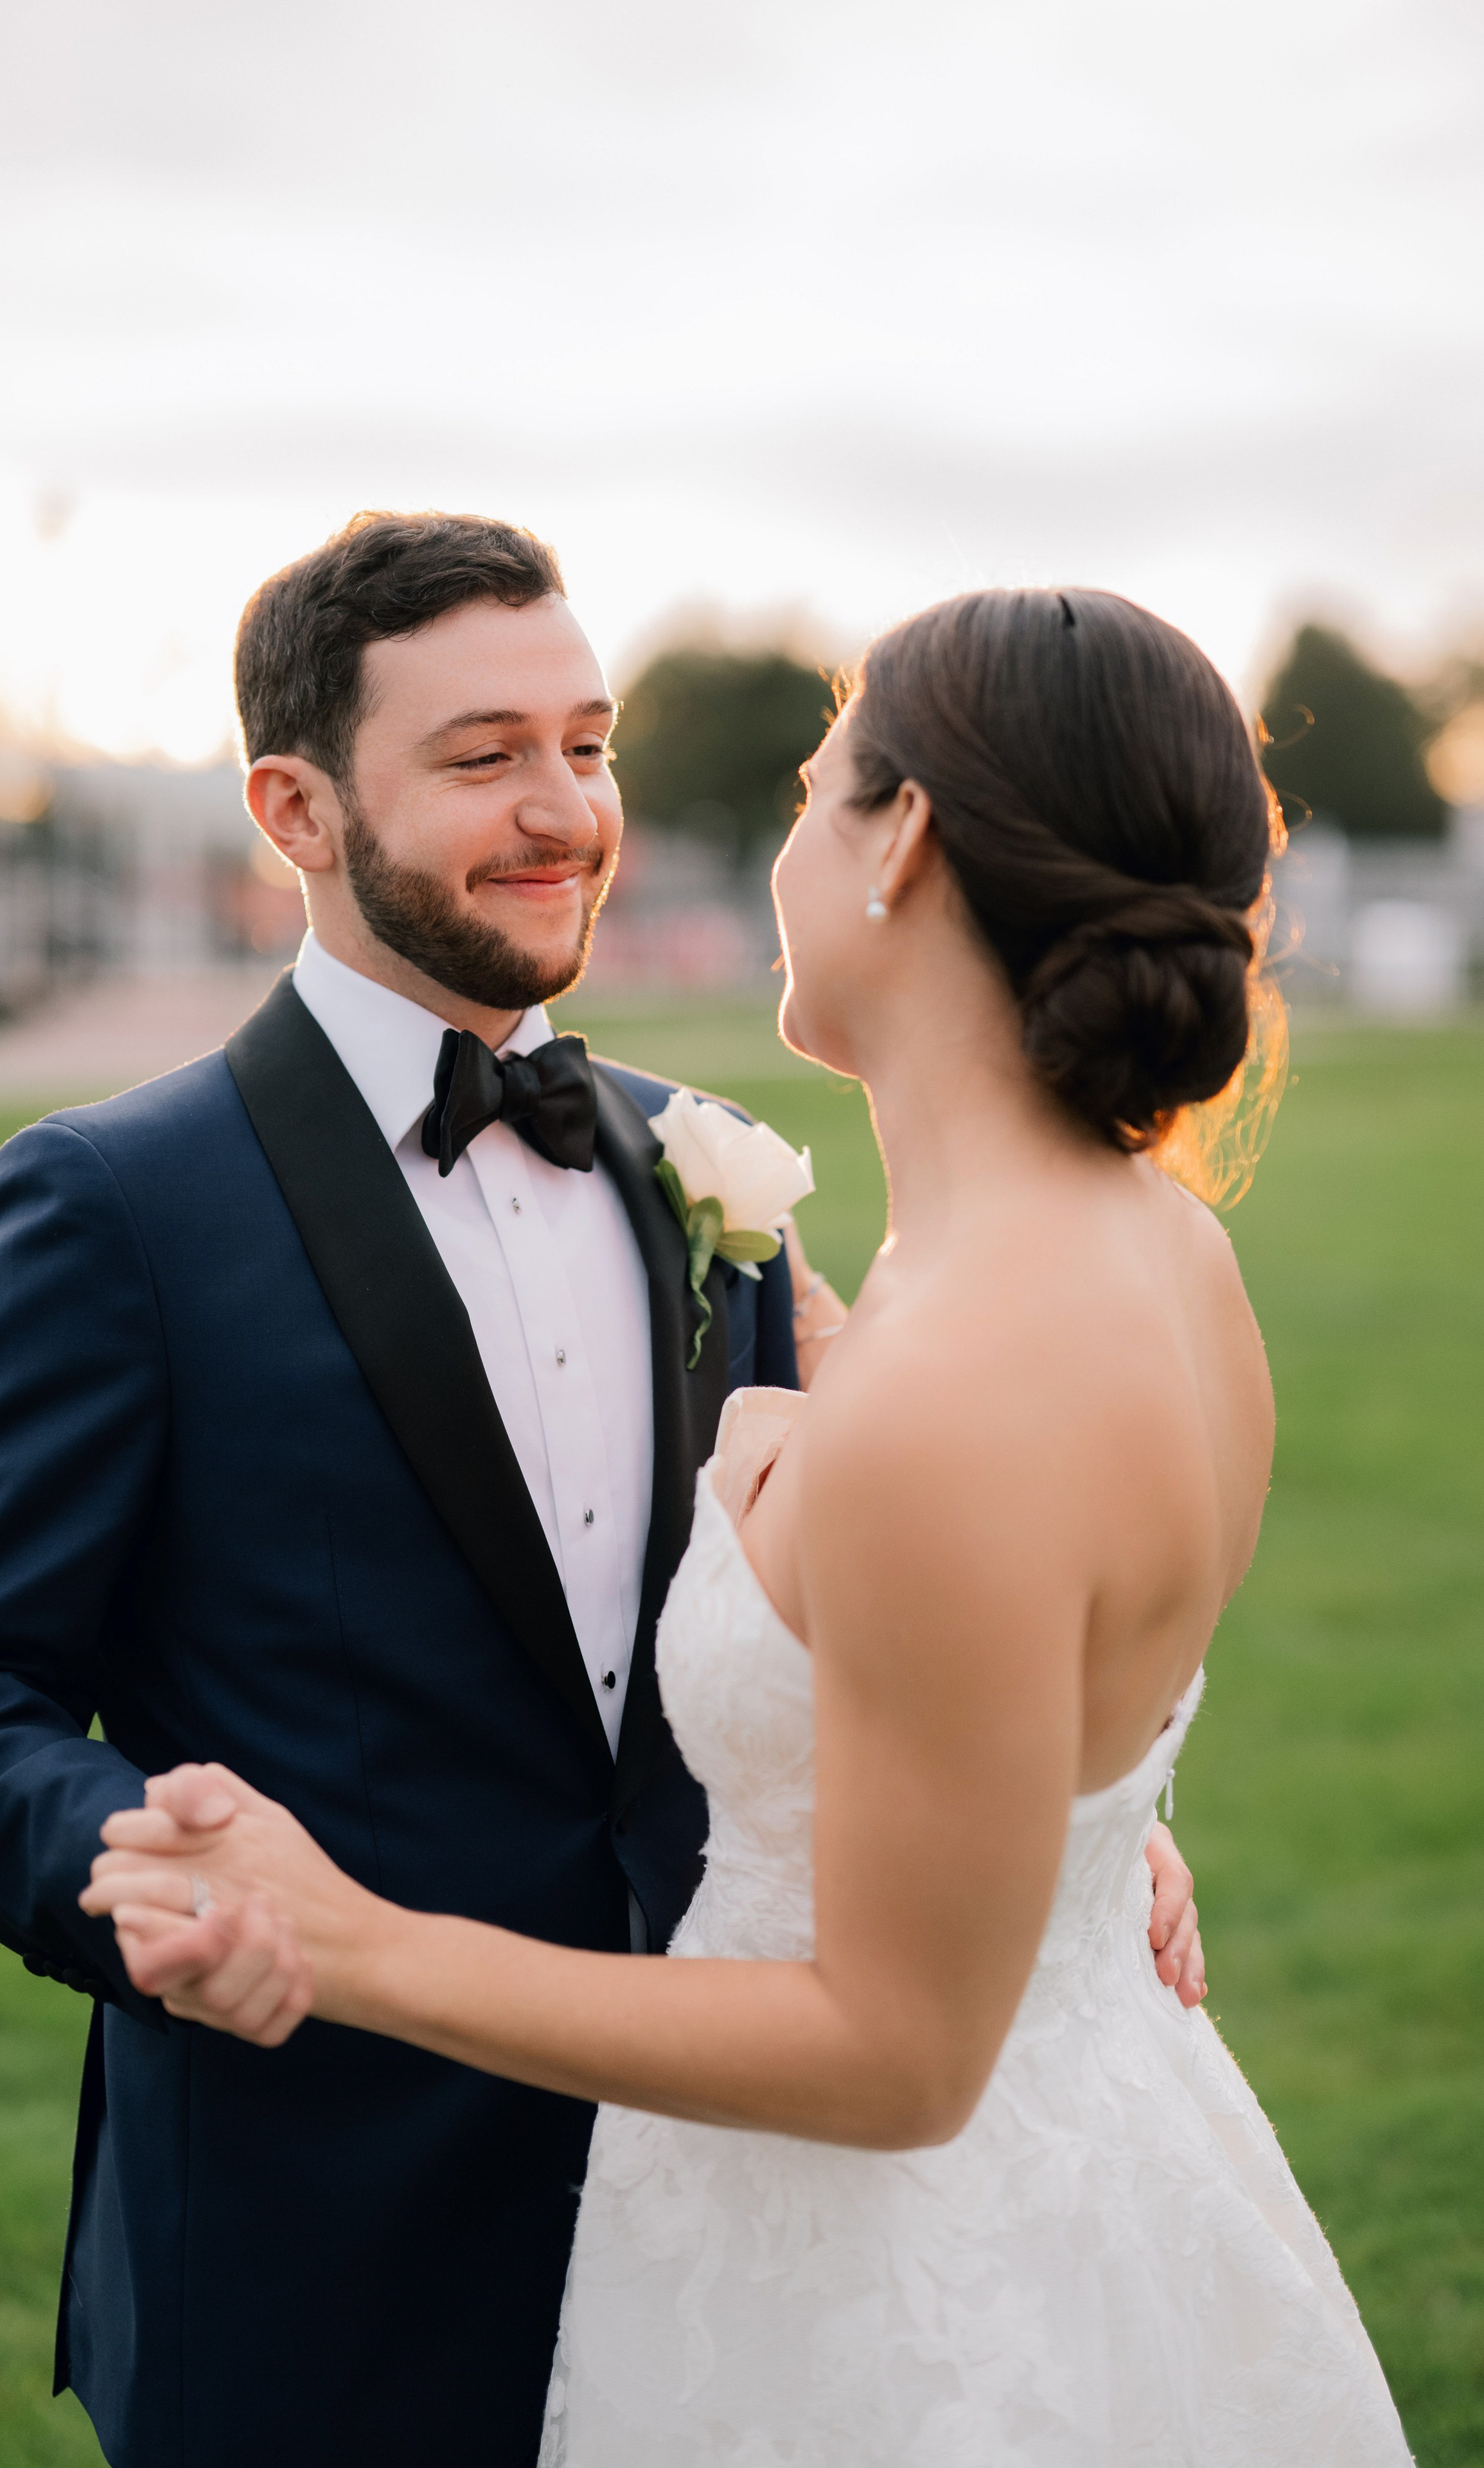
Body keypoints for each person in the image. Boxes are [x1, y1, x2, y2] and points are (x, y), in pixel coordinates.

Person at [0, 515, 1206, 2468]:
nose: (566, 809)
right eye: (483, 757)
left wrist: (1061, 1813)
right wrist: (171, 1882)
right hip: (319, 2233)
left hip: (739, 2199)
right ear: (295, 808)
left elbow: (857, 1590)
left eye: (592, 742)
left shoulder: (707, 1163)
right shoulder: (113, 1204)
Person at [85, 586, 1412, 2465]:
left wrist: (350, 1941)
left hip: (876, 2321)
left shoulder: (954, 1385)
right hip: (1100, 2209)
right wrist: (1065, 1825)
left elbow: (898, 2052)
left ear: (907, 841)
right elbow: (1049, 1640)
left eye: (810, 783)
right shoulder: (1159, 1257)